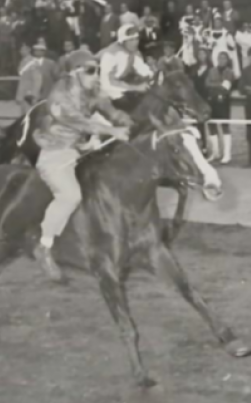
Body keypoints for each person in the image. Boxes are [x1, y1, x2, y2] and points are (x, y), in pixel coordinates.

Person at [32, 49, 132, 276]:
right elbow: (81, 122)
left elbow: (106, 106)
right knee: (70, 196)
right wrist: (113, 131)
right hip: (56, 153)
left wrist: (122, 118)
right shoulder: (59, 96)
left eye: (97, 70)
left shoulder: (89, 88)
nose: (96, 75)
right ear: (74, 73)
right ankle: (44, 245)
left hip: (78, 150)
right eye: (90, 71)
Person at [99, 24, 154, 101]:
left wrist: (153, 76)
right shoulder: (110, 55)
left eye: (136, 38)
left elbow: (142, 69)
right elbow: (107, 84)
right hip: (108, 95)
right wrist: (136, 88)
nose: (135, 42)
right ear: (122, 41)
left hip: (125, 88)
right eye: (131, 40)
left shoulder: (134, 52)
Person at [206, 51, 237, 165]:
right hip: (212, 101)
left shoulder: (229, 72)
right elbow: (207, 84)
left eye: (224, 58)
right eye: (219, 58)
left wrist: (215, 85)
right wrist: (218, 84)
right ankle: (215, 152)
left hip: (224, 101)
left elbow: (226, 87)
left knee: (225, 126)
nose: (221, 60)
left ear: (227, 60)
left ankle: (227, 154)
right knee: (212, 125)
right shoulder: (212, 71)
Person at [16, 39, 51, 114]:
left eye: (23, 49)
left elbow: (37, 80)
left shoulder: (32, 62)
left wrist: (34, 95)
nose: (21, 51)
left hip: (30, 95)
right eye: (21, 50)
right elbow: (22, 81)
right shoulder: (23, 62)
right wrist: (19, 96)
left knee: (30, 115)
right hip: (23, 94)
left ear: (29, 50)